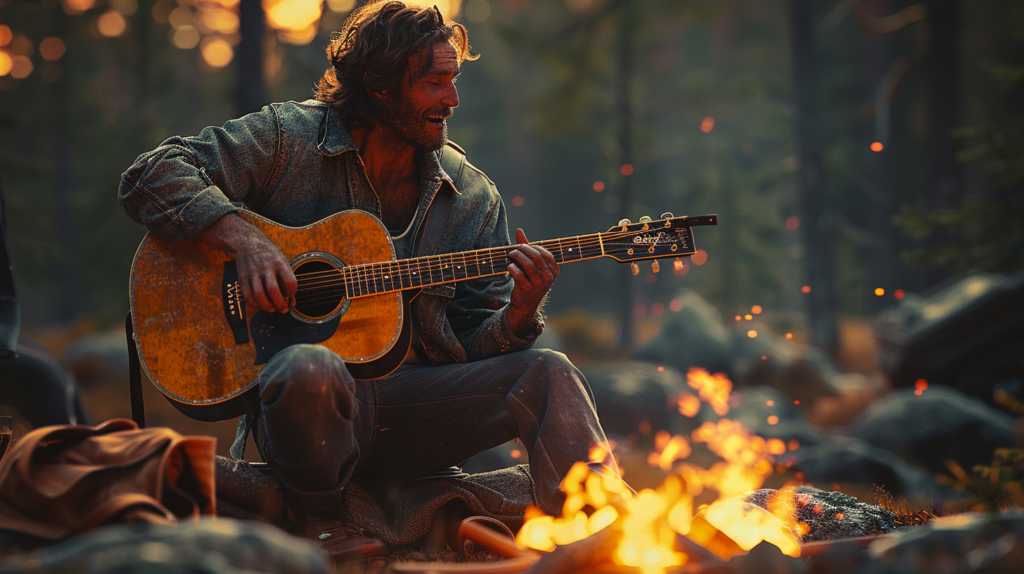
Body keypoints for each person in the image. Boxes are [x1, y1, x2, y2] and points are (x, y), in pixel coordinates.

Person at [118, 0, 617, 561]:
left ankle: (609, 530)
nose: (452, 101)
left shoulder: (473, 197)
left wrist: (519, 317)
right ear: (380, 88)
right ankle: (323, 525)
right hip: (309, 421)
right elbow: (151, 174)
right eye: (434, 83)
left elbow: (474, 343)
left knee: (548, 370)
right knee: (313, 363)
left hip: (414, 417)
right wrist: (247, 242)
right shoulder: (288, 140)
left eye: (453, 81)